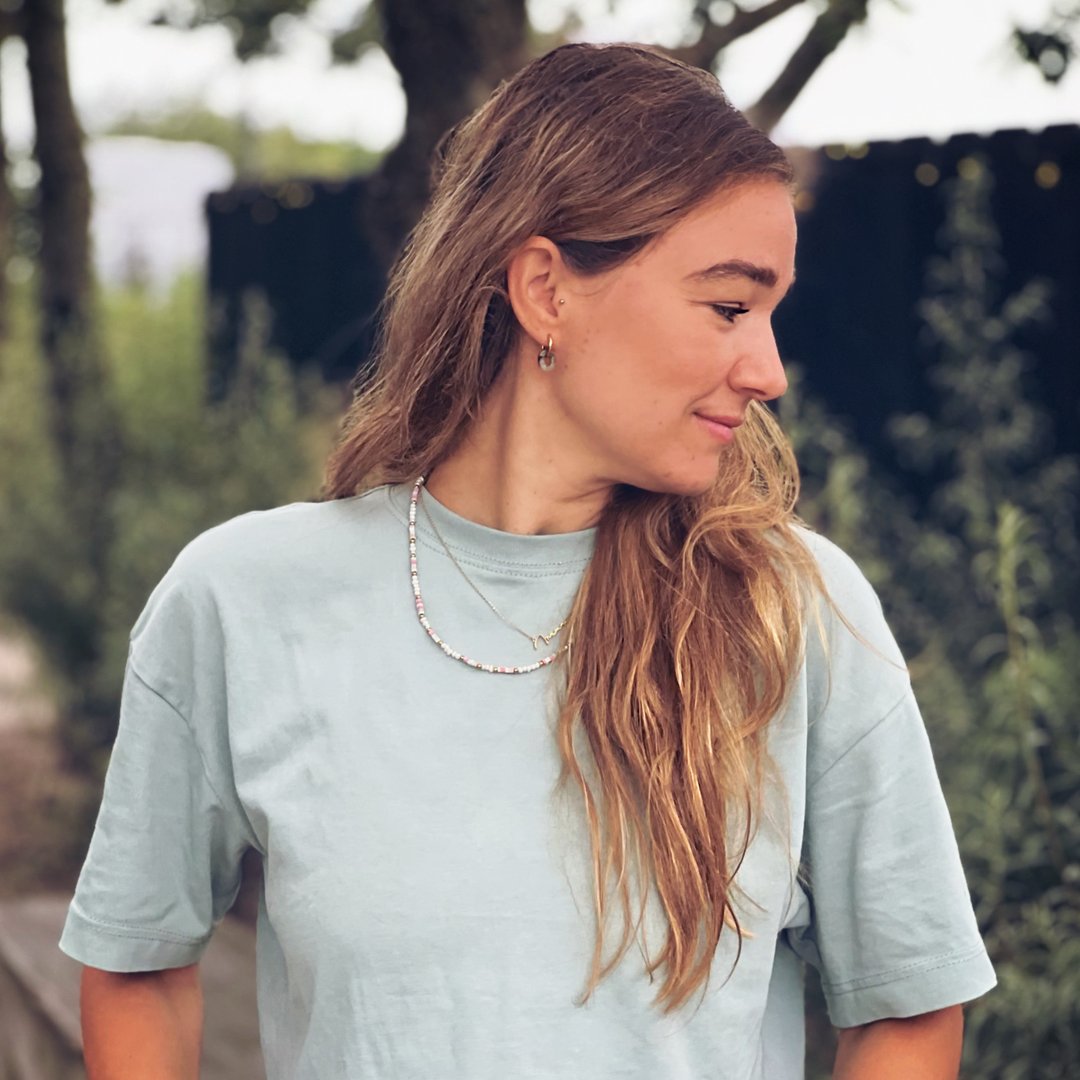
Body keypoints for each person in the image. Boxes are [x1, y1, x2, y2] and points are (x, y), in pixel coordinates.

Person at [60, 42, 995, 1080]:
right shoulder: (242, 601)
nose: (768, 370)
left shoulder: (792, 611)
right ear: (546, 289)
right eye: (730, 306)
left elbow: (910, 1007)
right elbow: (137, 964)